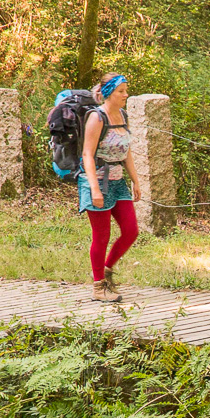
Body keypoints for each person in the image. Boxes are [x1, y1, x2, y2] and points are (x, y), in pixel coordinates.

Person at [80, 73, 142, 302]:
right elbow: (87, 154)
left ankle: (106, 271)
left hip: (118, 182)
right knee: (102, 236)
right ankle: (99, 288)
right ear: (108, 93)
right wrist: (95, 190)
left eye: (126, 90)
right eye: (121, 91)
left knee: (130, 230)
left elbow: (127, 152)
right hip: (96, 181)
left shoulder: (122, 115)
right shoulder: (97, 118)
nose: (126, 95)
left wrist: (135, 180)